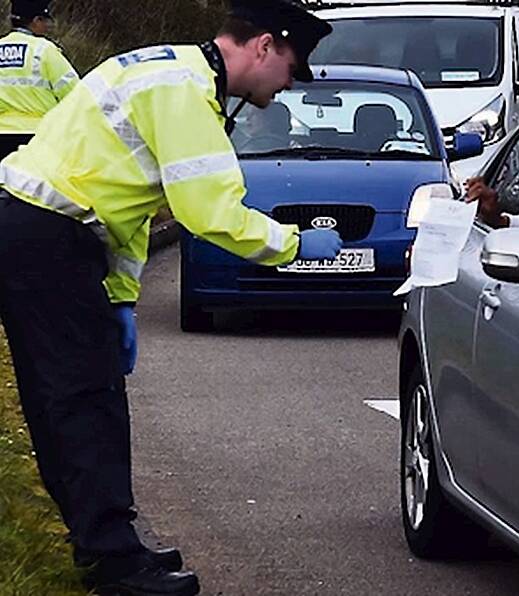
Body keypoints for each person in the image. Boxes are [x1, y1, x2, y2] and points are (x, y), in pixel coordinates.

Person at [0, 1, 340, 594]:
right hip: (46, 238)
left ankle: (108, 546)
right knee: (83, 402)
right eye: (291, 66)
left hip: (43, 233)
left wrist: (122, 298)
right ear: (263, 45)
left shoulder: (166, 69)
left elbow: (128, 206)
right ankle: (115, 565)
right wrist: (296, 244)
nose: (288, 84)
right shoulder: (185, 93)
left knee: (74, 398)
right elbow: (208, 212)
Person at [0, 0, 78, 158]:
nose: (49, 26)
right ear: (36, 21)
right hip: (38, 136)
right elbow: (75, 94)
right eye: (45, 20)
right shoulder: (45, 50)